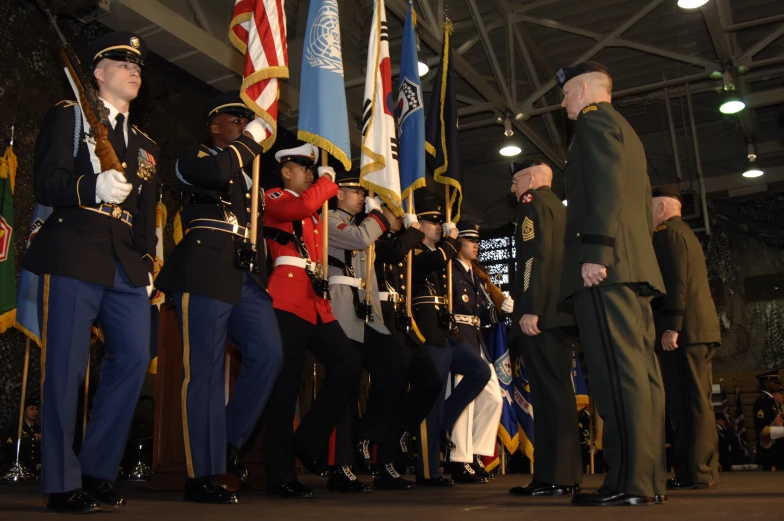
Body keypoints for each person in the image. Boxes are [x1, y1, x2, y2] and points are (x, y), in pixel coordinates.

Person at [22, 31, 158, 514]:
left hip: (125, 262)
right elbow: (48, 181)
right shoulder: (69, 114)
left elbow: (146, 214)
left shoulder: (144, 145)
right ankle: (61, 481)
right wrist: (91, 185)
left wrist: (146, 265)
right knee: (66, 369)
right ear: (98, 73)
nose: (134, 69)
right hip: (75, 248)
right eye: (122, 63)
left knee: (135, 358)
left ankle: (98, 469)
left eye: (138, 65)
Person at [155, 91, 283, 503]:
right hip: (207, 267)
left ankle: (227, 441)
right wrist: (249, 141)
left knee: (269, 354)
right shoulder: (195, 158)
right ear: (216, 127)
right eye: (239, 119)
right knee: (205, 374)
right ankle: (201, 472)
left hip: (245, 277)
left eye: (251, 121)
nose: (248, 126)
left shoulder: (252, 177)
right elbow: (214, 174)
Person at [555, 61, 667, 506]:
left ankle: (628, 482)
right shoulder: (622, 128)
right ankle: (647, 479)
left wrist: (596, 252)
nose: (562, 102)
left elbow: (605, 188)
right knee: (639, 375)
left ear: (583, 89)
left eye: (565, 93)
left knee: (617, 377)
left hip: (608, 268)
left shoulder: (594, 122)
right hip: (630, 269)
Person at [261, 144, 362, 498]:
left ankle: (306, 441)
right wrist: (329, 181)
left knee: (348, 364)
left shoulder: (317, 213)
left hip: (315, 302)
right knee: (285, 387)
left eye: (312, 168)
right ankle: (279, 475)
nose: (309, 173)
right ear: (285, 171)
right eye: (302, 168)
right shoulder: (274, 197)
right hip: (287, 298)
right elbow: (299, 206)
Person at [325, 171, 410, 491]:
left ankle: (368, 436)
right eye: (354, 192)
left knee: (396, 368)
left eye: (363, 192)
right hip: (343, 308)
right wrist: (378, 215)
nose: (360, 197)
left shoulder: (365, 224)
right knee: (345, 388)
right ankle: (340, 465)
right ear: (338, 195)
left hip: (369, 312)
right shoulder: (330, 218)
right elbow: (359, 239)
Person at [507, 160, 583, 497]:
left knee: (549, 396)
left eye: (515, 181)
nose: (512, 189)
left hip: (542, 314)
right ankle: (564, 472)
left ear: (531, 178)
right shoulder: (560, 208)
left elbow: (533, 259)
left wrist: (530, 307)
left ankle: (553, 476)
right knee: (561, 395)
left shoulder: (532, 203)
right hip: (562, 314)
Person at [410, 192, 490, 487]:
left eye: (437, 222)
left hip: (448, 333)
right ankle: (428, 470)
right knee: (432, 400)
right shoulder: (414, 253)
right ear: (418, 225)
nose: (438, 227)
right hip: (427, 332)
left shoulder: (441, 257)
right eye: (431, 222)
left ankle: (445, 426)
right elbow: (426, 266)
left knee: (479, 372)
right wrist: (451, 243)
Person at [650, 186, 721, 490]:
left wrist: (672, 326)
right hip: (697, 330)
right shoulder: (687, 233)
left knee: (688, 403)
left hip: (685, 331)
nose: (648, 214)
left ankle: (697, 471)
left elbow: (676, 282)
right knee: (695, 401)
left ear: (663, 208)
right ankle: (697, 469)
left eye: (650, 207)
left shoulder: (667, 233)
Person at [373, 203, 442, 475]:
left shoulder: (399, 240)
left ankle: (402, 432)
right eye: (393, 212)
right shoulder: (376, 239)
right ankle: (385, 460)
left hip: (404, 323)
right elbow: (396, 252)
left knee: (430, 382)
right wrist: (414, 230)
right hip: (383, 320)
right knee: (395, 387)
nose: (400, 217)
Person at [446, 221, 506, 484]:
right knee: (465, 402)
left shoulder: (476, 275)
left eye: (477, 241)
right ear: (458, 244)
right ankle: (459, 459)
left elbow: (485, 314)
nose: (476, 245)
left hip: (477, 340)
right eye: (470, 241)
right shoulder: (451, 269)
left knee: (494, 398)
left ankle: (476, 454)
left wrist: (503, 309)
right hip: (460, 338)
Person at [753, 371, 784, 470]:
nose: (778, 385)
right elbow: (762, 430)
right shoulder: (762, 402)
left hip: (777, 451)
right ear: (766, 384)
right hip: (769, 452)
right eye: (775, 382)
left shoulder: (771, 402)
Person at [4, 399, 42, 475]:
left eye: (36, 409)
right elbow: (10, 448)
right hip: (22, 468)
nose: (34, 412)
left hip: (36, 469)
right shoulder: (16, 428)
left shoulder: (39, 429)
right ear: (24, 411)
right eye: (31, 409)